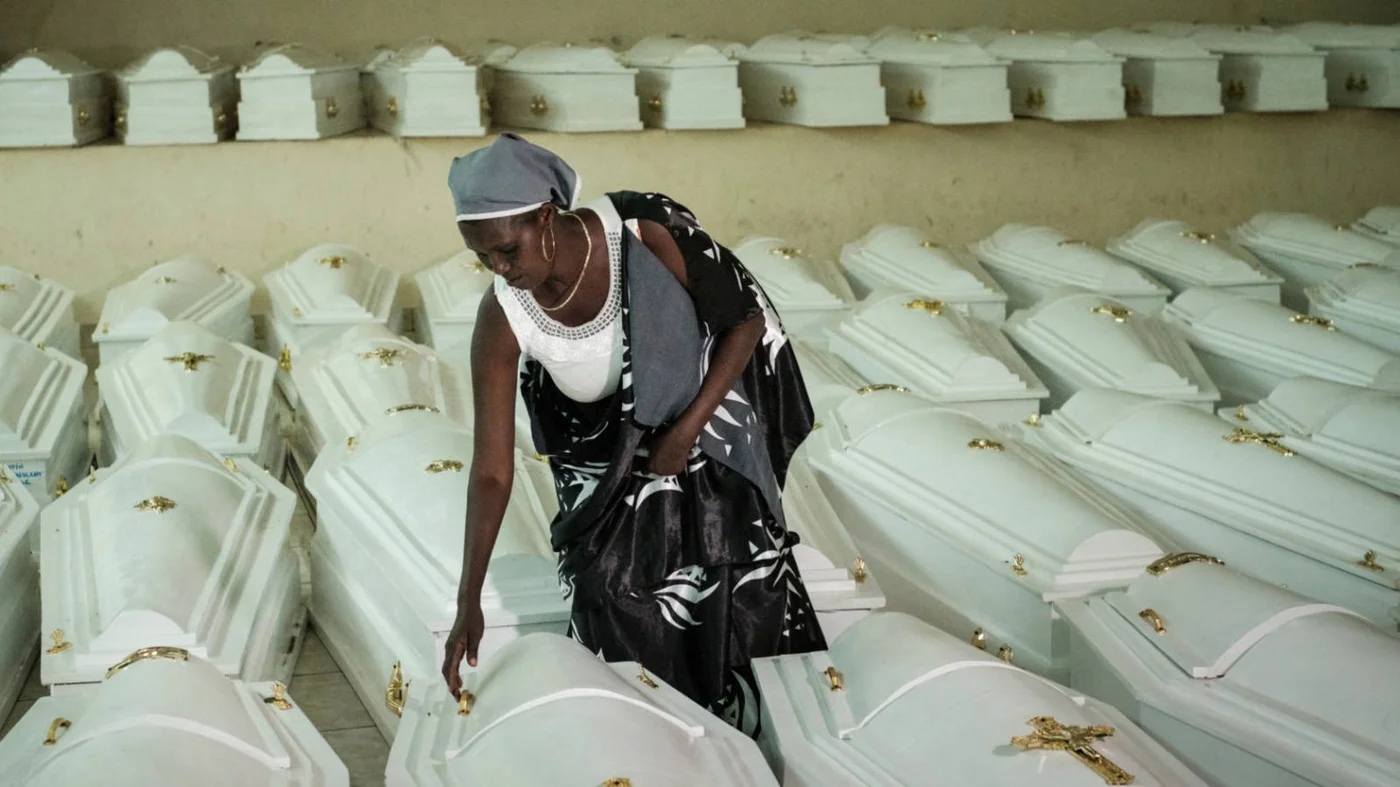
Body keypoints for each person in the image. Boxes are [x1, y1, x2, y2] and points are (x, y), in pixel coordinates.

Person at [440, 132, 826, 733]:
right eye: (483, 257)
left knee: (741, 609)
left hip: (709, 450)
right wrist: (468, 599)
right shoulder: (504, 315)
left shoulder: (643, 232)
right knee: (612, 613)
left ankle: (757, 751)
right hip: (609, 485)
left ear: (546, 215)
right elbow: (492, 469)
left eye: (508, 250)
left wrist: (682, 435)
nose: (501, 269)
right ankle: (656, 754)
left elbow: (744, 320)